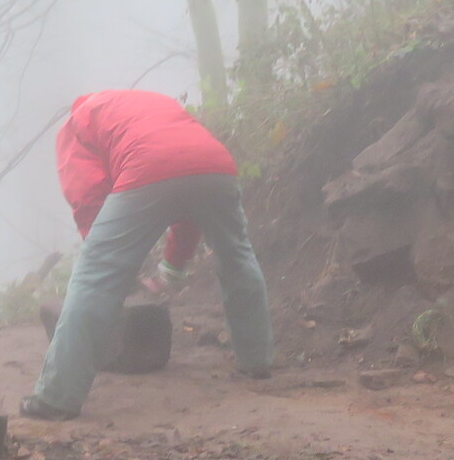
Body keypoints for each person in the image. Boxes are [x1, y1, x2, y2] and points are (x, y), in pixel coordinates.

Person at [19, 88, 274, 420]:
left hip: (147, 164)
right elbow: (187, 194)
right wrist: (172, 268)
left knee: (94, 279)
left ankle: (57, 398)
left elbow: (87, 193)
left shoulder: (78, 122)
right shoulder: (155, 106)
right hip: (216, 165)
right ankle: (256, 361)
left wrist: (112, 261)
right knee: (237, 257)